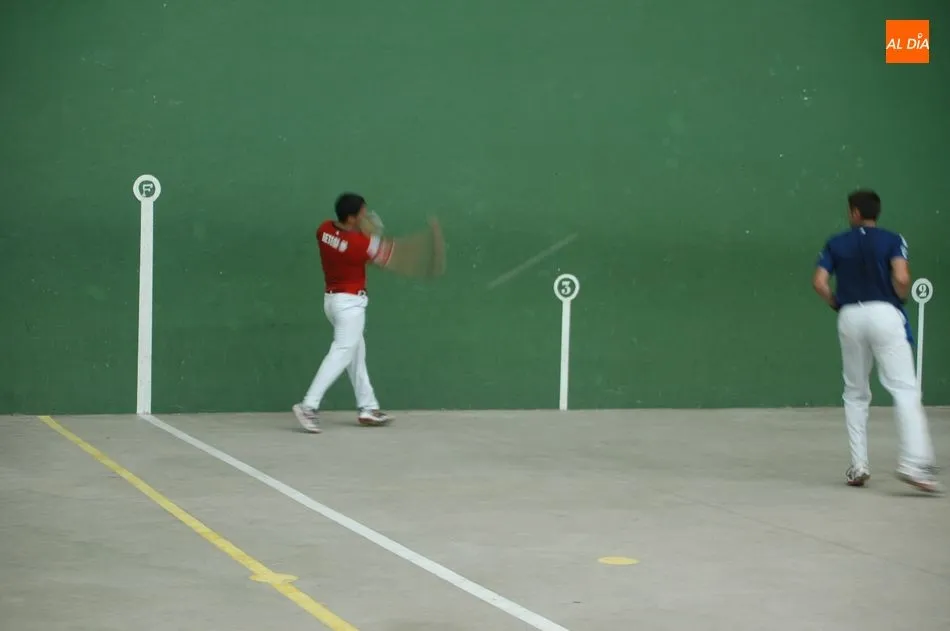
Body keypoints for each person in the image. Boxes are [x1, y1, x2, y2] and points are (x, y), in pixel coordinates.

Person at [812, 189, 941, 493]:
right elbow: (903, 278)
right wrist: (899, 297)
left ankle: (859, 465)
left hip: (849, 316)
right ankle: (914, 464)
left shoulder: (836, 242)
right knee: (905, 389)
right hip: (885, 313)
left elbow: (819, 282)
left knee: (855, 392)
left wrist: (836, 303)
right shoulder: (893, 239)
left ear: (855, 212)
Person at [293, 193, 394, 433]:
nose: (366, 217)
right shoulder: (361, 244)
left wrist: (367, 235)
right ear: (351, 218)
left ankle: (368, 408)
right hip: (350, 306)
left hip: (332, 302)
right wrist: (375, 236)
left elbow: (347, 242)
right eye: (362, 214)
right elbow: (384, 257)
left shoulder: (323, 229)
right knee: (341, 353)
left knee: (356, 355)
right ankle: (308, 406)